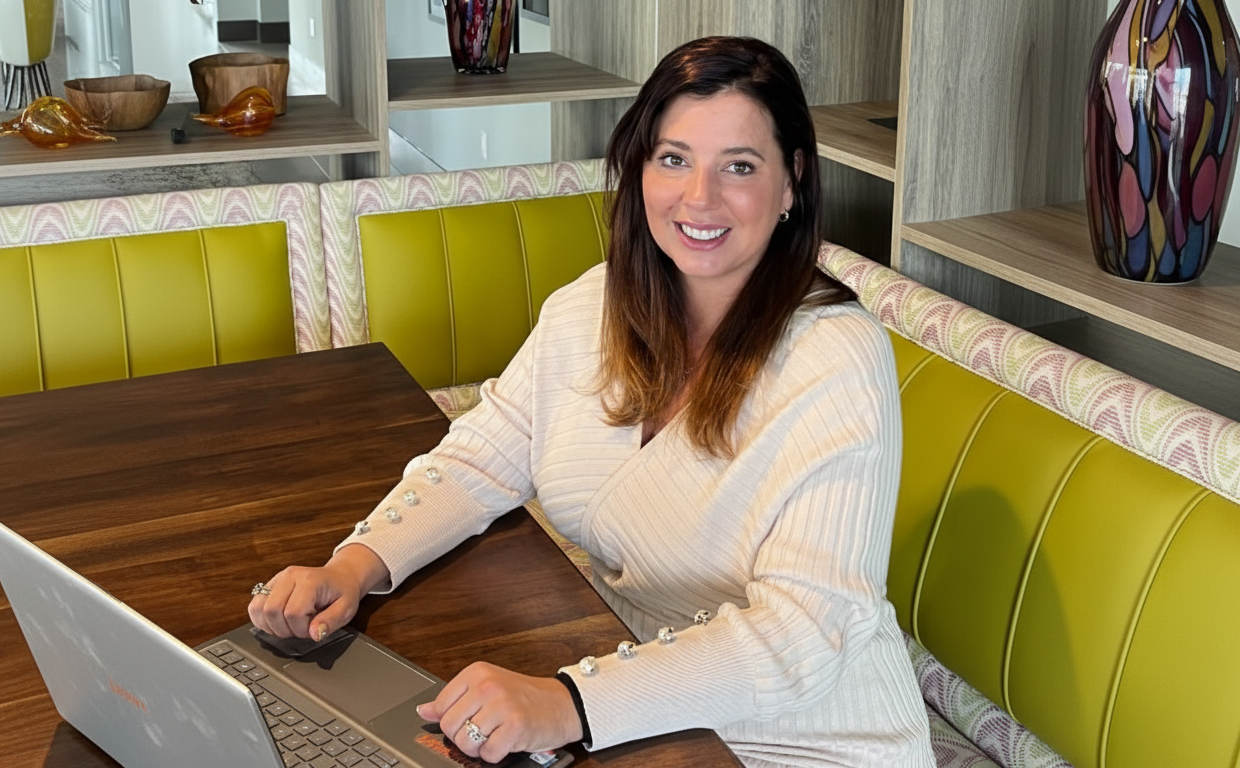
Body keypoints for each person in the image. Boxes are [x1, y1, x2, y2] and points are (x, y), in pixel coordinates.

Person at [249, 36, 935, 768]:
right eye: (674, 159)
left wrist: (568, 704)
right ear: (639, 166)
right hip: (644, 699)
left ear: (793, 181)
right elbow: (482, 458)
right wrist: (353, 567)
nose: (698, 197)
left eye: (739, 166)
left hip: (807, 732)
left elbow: (804, 633)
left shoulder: (835, 357)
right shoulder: (596, 305)